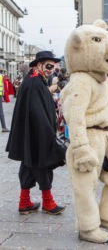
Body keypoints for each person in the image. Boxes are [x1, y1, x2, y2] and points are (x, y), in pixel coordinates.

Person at [6, 51, 65, 215]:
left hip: (32, 134)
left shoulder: (34, 80)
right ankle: (48, 203)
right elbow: (36, 111)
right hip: (38, 134)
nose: (50, 70)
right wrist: (48, 133)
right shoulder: (34, 83)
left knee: (28, 164)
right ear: (38, 64)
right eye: (48, 66)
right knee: (42, 164)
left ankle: (24, 203)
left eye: (53, 67)